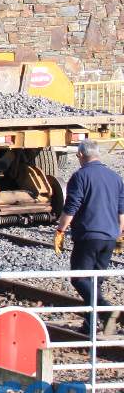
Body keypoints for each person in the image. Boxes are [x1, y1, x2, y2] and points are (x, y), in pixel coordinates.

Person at [54, 140, 124, 328]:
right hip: (110, 237)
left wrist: (60, 230)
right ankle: (89, 325)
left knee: (79, 278)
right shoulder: (115, 177)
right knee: (95, 282)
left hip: (88, 236)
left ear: (80, 155)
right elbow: (121, 211)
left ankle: (106, 310)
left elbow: (71, 207)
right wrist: (119, 235)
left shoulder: (80, 176)